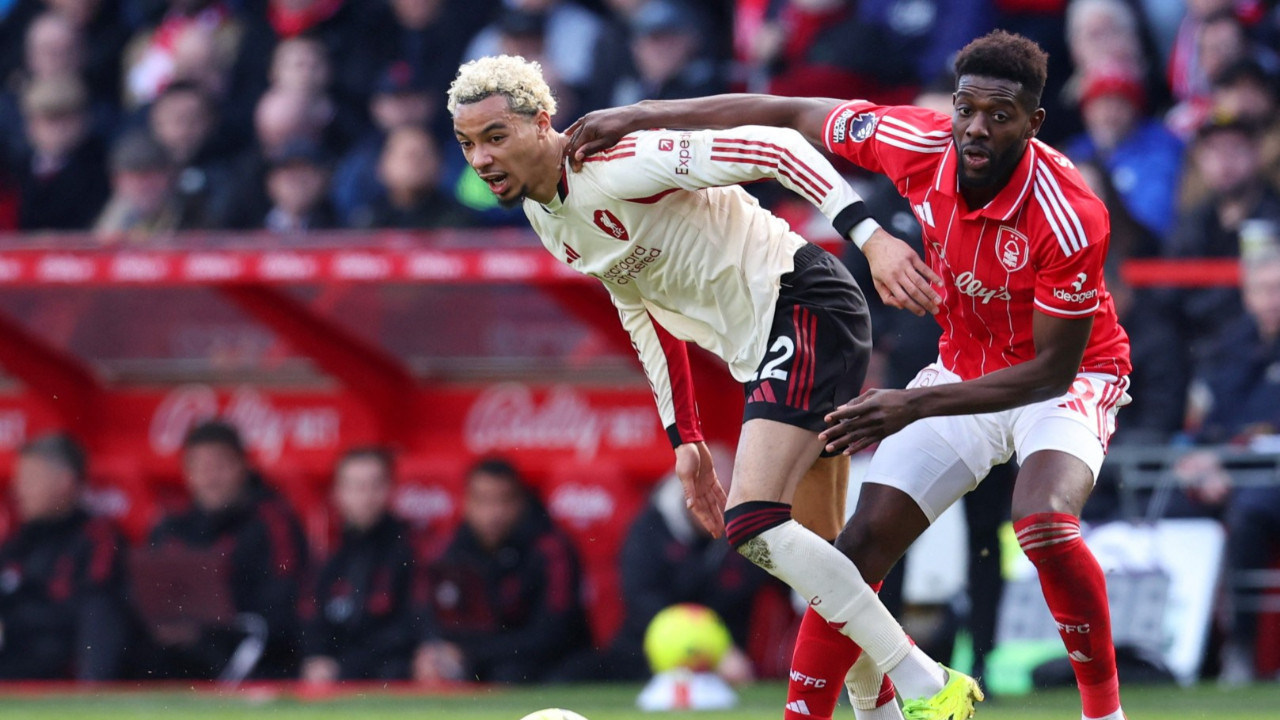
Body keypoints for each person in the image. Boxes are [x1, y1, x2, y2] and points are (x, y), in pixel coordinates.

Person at [568, 29, 1133, 720]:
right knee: (857, 543)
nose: (977, 128)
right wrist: (639, 115)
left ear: (1034, 122)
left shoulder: (1070, 215)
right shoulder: (915, 141)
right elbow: (786, 112)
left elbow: (1050, 371)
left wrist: (912, 407)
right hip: (961, 368)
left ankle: (1104, 713)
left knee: (1042, 521)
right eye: (966, 109)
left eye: (1000, 115)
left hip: (1068, 382)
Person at [448, 55, 980, 718]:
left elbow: (780, 145)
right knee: (831, 565)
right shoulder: (547, 219)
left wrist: (868, 236)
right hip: (768, 346)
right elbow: (638, 308)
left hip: (803, 302)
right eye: (468, 143)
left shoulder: (617, 161)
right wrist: (685, 436)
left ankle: (927, 679)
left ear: (542, 123)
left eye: (496, 136)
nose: (481, 158)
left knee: (753, 522)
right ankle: (883, 713)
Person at [145, 420, 308, 679]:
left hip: (250, 651)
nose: (210, 478)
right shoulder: (171, 526)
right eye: (200, 468)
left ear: (242, 466)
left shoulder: (273, 522)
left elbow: (283, 606)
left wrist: (210, 626)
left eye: (220, 466)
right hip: (176, 651)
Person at [413, 458, 590, 684]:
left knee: (514, 673)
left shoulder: (550, 549)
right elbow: (423, 615)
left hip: (538, 665)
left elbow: (552, 633)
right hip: (471, 663)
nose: (494, 513)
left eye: (503, 500)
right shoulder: (446, 549)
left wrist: (470, 653)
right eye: (483, 501)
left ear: (520, 502)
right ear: (466, 502)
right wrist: (436, 652)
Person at [0, 433, 130, 680]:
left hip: (62, 665)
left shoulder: (98, 536)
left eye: (30, 479)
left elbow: (94, 611)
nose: (18, 489)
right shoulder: (19, 539)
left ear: (65, 482)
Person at [300, 447, 418, 683]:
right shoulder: (326, 550)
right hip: (335, 671)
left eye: (375, 485)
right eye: (355, 486)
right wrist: (316, 656)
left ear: (390, 490)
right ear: (338, 493)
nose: (366, 496)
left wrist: (348, 666)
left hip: (390, 671)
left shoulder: (410, 548)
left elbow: (412, 626)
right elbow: (310, 618)